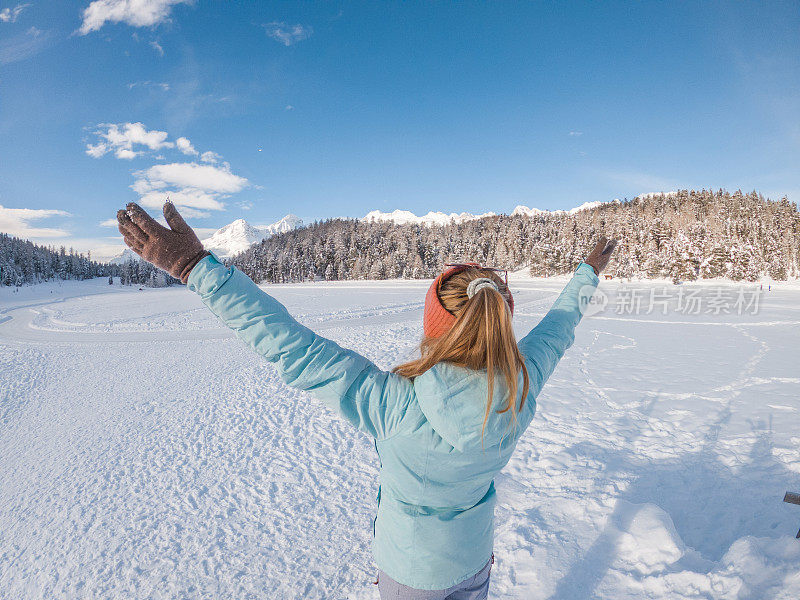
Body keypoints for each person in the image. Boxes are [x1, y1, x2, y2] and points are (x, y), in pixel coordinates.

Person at [117, 201, 617, 599]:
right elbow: (558, 327)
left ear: (436, 329)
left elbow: (289, 344)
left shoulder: (395, 406)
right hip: (474, 559)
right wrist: (586, 275)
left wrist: (195, 268)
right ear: (500, 324)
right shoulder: (521, 387)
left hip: (411, 572)